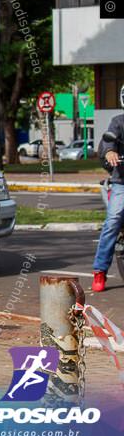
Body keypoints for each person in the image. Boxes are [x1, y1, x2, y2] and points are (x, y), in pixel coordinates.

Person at [92, 84, 124, 292]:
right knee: (113, 220)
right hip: (122, 181)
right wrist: (111, 152)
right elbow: (108, 139)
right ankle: (100, 271)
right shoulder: (119, 122)